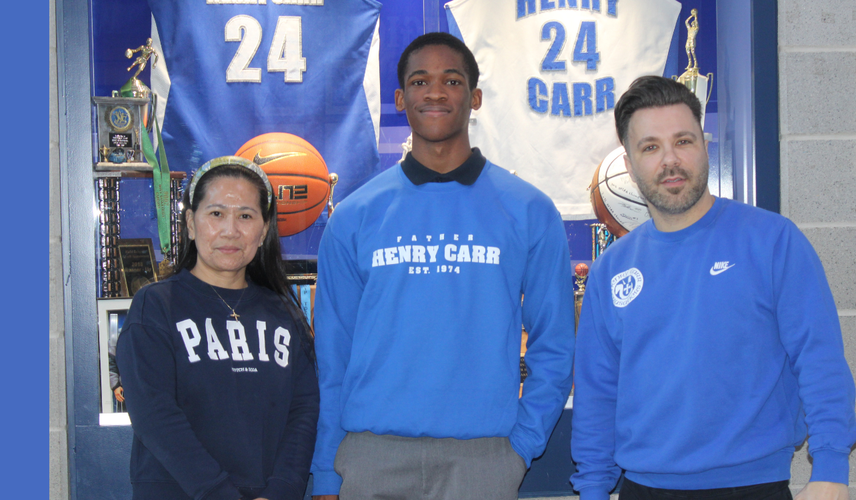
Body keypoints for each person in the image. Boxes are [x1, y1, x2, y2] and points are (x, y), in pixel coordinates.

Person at [310, 32, 576, 500]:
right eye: (420, 81)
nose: (435, 92)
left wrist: (520, 447)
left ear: (474, 97)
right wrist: (328, 472)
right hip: (372, 459)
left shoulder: (528, 210)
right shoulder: (354, 216)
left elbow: (554, 346)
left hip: (484, 461)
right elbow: (333, 359)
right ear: (400, 98)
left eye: (451, 80)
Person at [570, 76, 856, 500]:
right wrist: (593, 489)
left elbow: (819, 358)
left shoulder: (772, 241)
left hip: (754, 485)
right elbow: (598, 392)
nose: (670, 160)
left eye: (683, 141)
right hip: (645, 488)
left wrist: (831, 469)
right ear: (630, 165)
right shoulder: (611, 269)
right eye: (650, 147)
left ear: (704, 147)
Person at [117, 156, 320, 500]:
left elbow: (304, 410)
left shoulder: (285, 313)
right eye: (216, 214)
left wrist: (283, 490)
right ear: (191, 225)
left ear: (264, 229)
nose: (230, 230)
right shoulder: (155, 307)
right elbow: (155, 415)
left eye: (245, 215)